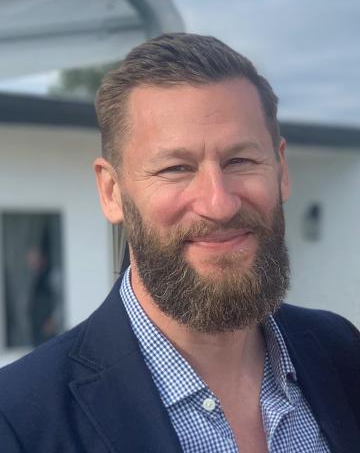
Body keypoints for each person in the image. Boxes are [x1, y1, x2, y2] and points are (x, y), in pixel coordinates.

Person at [0, 33, 359, 453]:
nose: (219, 204)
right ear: (112, 191)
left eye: (240, 161)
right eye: (176, 168)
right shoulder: (19, 423)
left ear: (280, 170)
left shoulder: (342, 353)